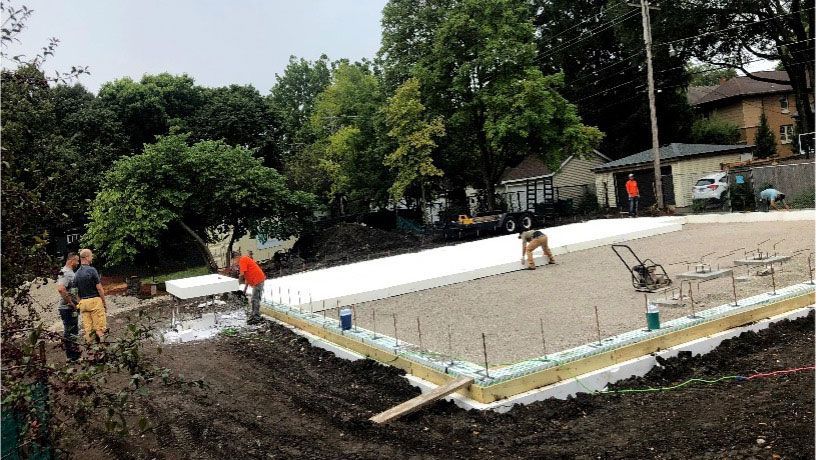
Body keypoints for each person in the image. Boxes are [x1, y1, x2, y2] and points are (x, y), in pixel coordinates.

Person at [74, 248, 108, 343]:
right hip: (94, 301)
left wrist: (79, 302)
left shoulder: (76, 274)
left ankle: (91, 351)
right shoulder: (92, 270)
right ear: (87, 257)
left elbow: (75, 292)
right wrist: (104, 302)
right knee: (99, 328)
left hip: (83, 303)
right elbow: (99, 288)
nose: (92, 258)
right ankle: (102, 350)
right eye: (91, 256)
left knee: (88, 330)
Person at [55, 252, 81, 361]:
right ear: (71, 261)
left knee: (73, 330)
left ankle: (73, 355)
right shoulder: (65, 273)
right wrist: (70, 302)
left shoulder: (70, 272)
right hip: (67, 308)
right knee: (70, 331)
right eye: (77, 261)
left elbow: (73, 291)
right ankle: (72, 357)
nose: (78, 263)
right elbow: (61, 288)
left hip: (71, 308)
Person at [232, 250, 266, 324]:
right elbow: (247, 277)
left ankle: (256, 318)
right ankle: (254, 316)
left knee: (255, 299)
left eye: (234, 260)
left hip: (258, 280)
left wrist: (236, 285)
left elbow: (242, 274)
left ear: (236, 257)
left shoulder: (242, 260)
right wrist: (244, 290)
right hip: (256, 280)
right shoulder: (244, 260)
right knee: (254, 299)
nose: (234, 262)